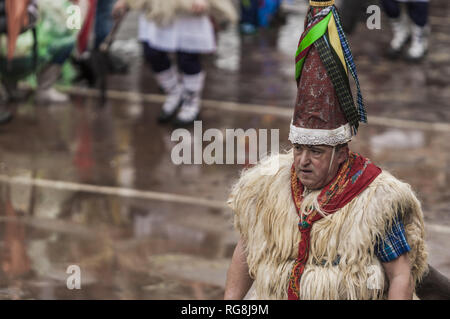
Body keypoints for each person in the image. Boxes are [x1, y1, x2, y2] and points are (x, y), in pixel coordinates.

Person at [224, 0, 428, 300]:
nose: (303, 161)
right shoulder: (266, 186)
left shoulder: (376, 199)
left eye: (316, 152)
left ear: (341, 154)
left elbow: (399, 275)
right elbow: (246, 249)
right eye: (298, 149)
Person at [113, 0, 233, 126]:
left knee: (187, 57)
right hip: (158, 8)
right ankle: (174, 92)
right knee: (152, 52)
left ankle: (190, 103)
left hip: (188, 10)